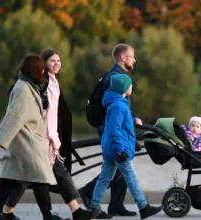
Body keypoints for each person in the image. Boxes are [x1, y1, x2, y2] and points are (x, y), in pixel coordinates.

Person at [1, 49, 100, 220]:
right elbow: (36, 111)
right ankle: (7, 212)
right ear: (44, 63)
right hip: (40, 138)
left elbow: (56, 114)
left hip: (50, 138)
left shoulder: (53, 82)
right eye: (52, 61)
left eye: (59, 61)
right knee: (31, 177)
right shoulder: (42, 83)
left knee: (50, 175)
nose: (57, 64)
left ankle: (8, 212)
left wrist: (56, 136)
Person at [0, 55, 69, 220]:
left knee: (10, 178)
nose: (43, 71)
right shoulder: (24, 89)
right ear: (34, 69)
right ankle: (47, 215)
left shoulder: (26, 86)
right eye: (41, 68)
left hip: (24, 141)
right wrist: (1, 140)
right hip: (27, 142)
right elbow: (14, 116)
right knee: (37, 178)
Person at [78, 43, 143, 219]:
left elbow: (122, 104)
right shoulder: (115, 77)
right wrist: (132, 117)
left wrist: (133, 116)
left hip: (115, 127)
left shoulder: (118, 75)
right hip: (111, 128)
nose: (134, 59)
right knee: (119, 164)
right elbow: (115, 106)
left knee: (120, 165)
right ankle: (88, 191)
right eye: (132, 56)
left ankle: (116, 205)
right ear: (123, 57)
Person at [88, 74, 163, 219]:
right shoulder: (119, 105)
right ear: (123, 88)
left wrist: (132, 142)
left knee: (105, 178)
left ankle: (94, 207)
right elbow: (114, 130)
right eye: (130, 85)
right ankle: (143, 207)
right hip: (117, 149)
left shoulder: (117, 103)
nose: (132, 87)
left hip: (112, 148)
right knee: (131, 177)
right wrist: (120, 149)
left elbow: (122, 128)